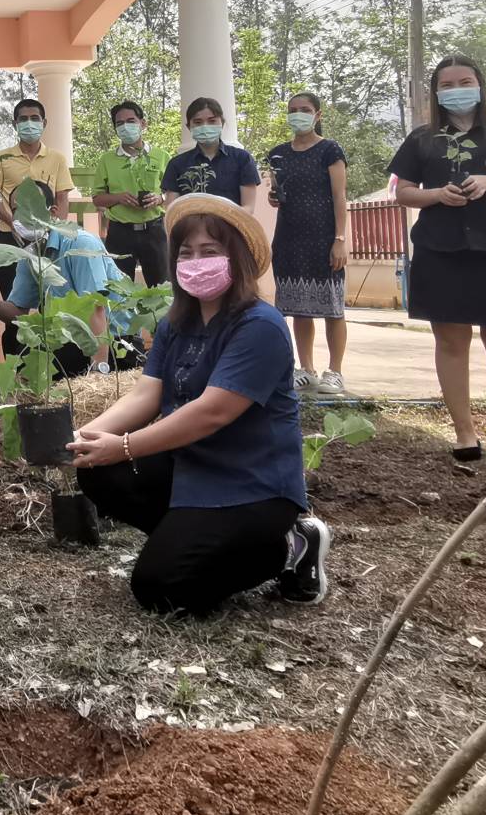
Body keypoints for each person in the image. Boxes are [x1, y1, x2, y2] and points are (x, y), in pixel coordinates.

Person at [69, 195, 332, 613]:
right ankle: (194, 541)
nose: (196, 261)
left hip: (250, 484)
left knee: (161, 588)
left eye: (211, 251)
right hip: (192, 466)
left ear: (239, 259)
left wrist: (122, 446)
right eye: (186, 252)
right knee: (101, 473)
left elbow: (213, 411)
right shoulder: (176, 322)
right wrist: (81, 437)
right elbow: (146, 394)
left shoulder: (260, 326)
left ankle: (285, 548)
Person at [389, 56, 486, 463]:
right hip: (440, 251)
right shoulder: (423, 139)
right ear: (436, 92)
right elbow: (403, 192)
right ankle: (463, 433)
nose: (457, 89)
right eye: (447, 84)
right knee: (451, 340)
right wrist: (437, 194)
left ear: (480, 84)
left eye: (465, 81)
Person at [0, 189, 124, 378]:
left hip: (112, 339)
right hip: (70, 335)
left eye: (33, 208)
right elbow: (17, 312)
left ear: (53, 212)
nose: (24, 216)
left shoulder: (81, 244)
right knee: (15, 341)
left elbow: (96, 309)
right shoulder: (30, 254)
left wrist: (98, 373)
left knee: (50, 363)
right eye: (17, 209)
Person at [263, 91, 350, 395]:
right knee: (299, 307)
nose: (298, 114)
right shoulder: (277, 154)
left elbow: (340, 197)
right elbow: (278, 193)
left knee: (332, 308)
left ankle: (335, 371)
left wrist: (340, 239)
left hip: (324, 238)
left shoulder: (330, 150)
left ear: (318, 115)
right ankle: (307, 368)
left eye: (304, 109)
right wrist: (274, 197)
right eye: (293, 109)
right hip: (289, 238)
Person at [92, 100, 169, 289]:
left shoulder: (161, 156)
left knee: (161, 290)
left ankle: (162, 321)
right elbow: (97, 198)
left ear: (143, 124)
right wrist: (118, 198)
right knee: (119, 290)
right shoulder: (107, 160)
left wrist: (160, 198)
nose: (125, 126)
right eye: (119, 123)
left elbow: (173, 192)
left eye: (131, 121)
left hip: (154, 231)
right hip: (120, 232)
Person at [0, 96, 73, 239]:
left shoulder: (57, 159)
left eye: (34, 118)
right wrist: (13, 223)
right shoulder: (1, 158)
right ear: (15, 124)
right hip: (9, 232)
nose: (29, 123)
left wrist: (57, 232)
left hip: (46, 233)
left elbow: (62, 199)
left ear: (44, 123)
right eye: (23, 119)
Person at [161, 96, 262, 210]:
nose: (205, 126)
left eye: (212, 121)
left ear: (222, 123)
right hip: (191, 227)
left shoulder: (242, 159)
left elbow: (248, 207)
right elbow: (172, 208)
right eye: (198, 122)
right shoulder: (177, 164)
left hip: (232, 225)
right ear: (189, 127)